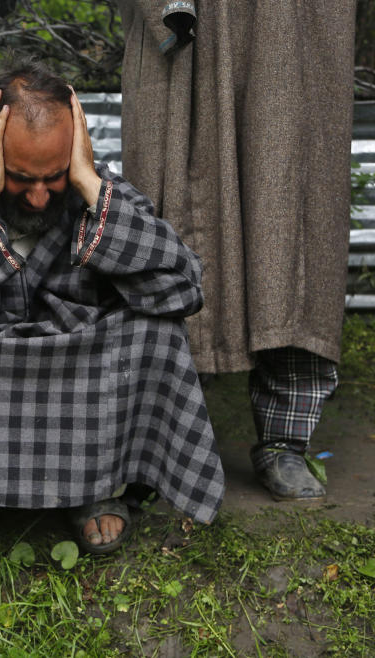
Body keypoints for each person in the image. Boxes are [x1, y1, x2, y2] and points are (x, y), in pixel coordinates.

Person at [0, 63, 225, 565]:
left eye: (53, 178)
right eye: (19, 178)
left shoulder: (98, 187)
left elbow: (181, 291)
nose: (37, 196)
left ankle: (97, 485)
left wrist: (90, 187)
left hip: (80, 369)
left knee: (160, 336)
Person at [117, 1, 355, 500]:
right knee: (173, 207)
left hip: (296, 23)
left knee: (293, 218)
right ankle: (154, 441)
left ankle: (284, 439)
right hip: (191, 31)